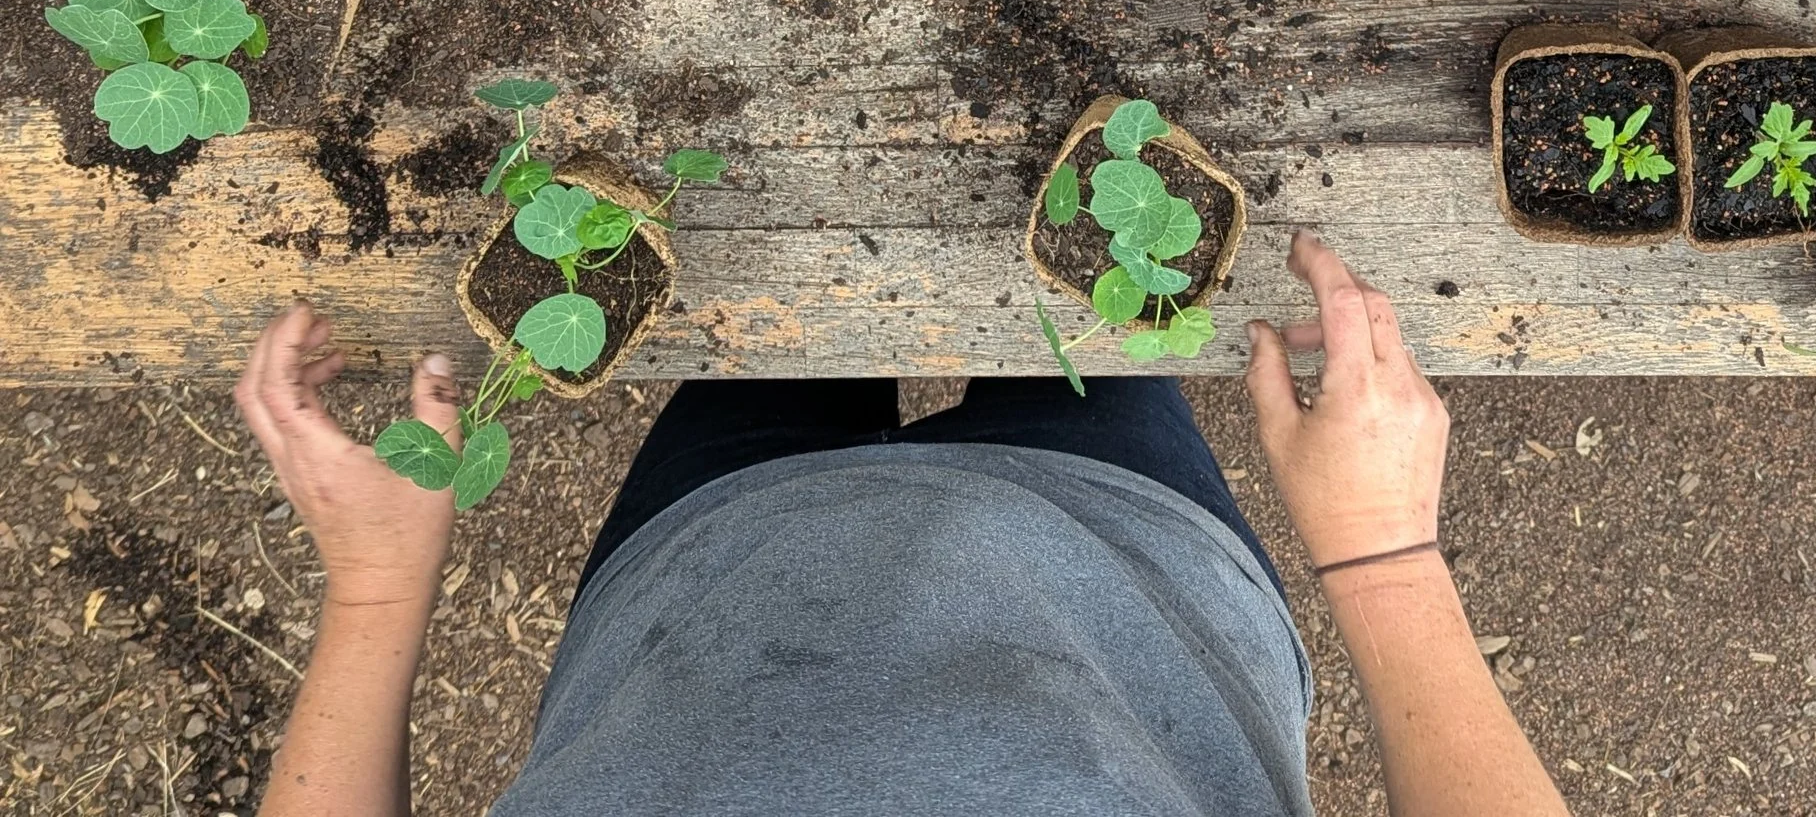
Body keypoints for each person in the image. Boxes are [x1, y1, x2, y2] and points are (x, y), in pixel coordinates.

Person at [234, 231, 1570, 817]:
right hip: (1129, 559)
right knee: (1098, 264)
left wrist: (369, 590)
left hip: (711, 564)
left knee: (775, 282)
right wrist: (1387, 556)